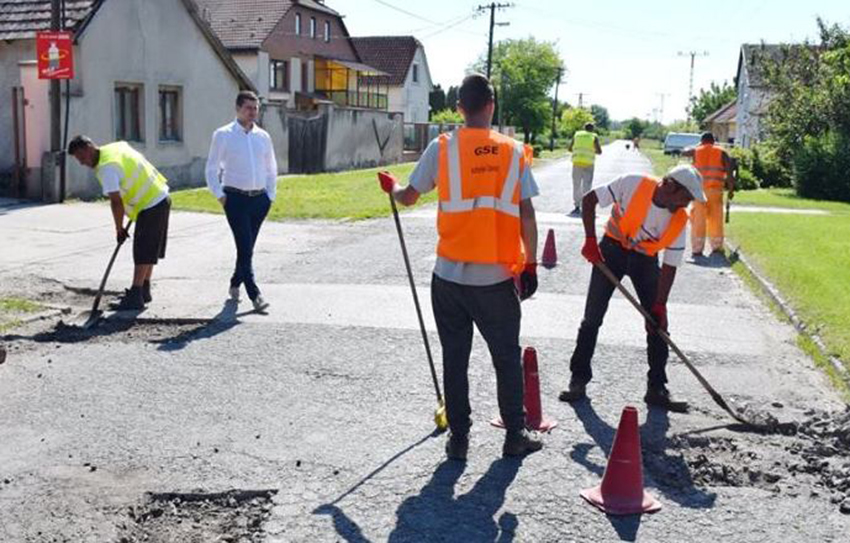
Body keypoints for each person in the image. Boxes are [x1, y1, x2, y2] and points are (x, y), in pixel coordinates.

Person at [378, 73, 543, 460]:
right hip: (496, 280)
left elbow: (408, 197)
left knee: (455, 358)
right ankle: (514, 435)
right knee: (506, 358)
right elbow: (527, 213)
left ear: (459, 109)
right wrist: (531, 264)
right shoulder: (514, 152)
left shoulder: (443, 148)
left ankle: (460, 439)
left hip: (448, 277)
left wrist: (393, 187)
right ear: (492, 105)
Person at [558, 165, 706, 412]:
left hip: (644, 262)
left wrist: (660, 305)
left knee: (659, 326)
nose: (687, 204)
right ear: (670, 186)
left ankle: (657, 388)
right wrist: (591, 241)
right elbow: (590, 200)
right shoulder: (632, 183)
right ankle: (578, 380)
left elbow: (670, 266)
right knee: (592, 319)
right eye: (686, 197)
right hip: (610, 252)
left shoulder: (679, 219)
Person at [68, 135, 171, 310]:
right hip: (159, 197)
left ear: (89, 148)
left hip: (151, 204)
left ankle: (135, 294)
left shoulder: (106, 168)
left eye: (81, 157)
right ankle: (144, 290)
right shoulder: (115, 148)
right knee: (149, 248)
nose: (82, 163)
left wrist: (119, 228)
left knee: (143, 251)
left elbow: (116, 202)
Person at [206, 90, 277, 311]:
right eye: (248, 108)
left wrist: (270, 195)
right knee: (245, 247)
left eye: (255, 108)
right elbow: (211, 168)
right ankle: (254, 295)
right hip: (235, 199)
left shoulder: (263, 137)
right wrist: (220, 195)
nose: (252, 112)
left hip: (259, 199)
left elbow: (271, 167)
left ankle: (236, 281)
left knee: (247, 246)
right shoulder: (223, 134)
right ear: (237, 109)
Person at [681, 132, 735, 259]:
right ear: (713, 141)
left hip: (699, 191)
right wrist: (731, 190)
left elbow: (683, 151)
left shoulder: (696, 150)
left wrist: (697, 146)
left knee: (698, 220)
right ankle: (716, 247)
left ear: (702, 141)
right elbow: (730, 174)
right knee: (716, 219)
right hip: (716, 192)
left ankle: (697, 249)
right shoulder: (722, 152)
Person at [568, 122, 602, 216]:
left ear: (584, 128)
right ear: (592, 129)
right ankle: (585, 206)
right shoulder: (594, 137)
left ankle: (576, 206)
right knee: (587, 186)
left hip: (577, 163)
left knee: (576, 185)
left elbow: (570, 149)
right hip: (588, 164)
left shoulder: (577, 135)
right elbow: (599, 151)